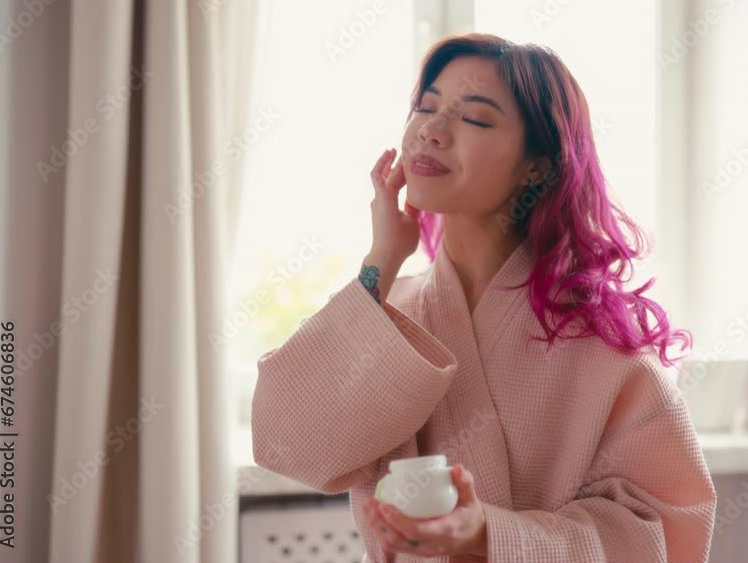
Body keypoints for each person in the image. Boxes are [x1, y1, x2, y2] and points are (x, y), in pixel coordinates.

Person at [252, 33, 716, 562]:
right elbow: (284, 443)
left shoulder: (604, 348)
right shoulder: (386, 313)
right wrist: (381, 259)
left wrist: (487, 536)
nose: (430, 130)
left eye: (474, 118)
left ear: (536, 164)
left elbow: (665, 534)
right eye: (425, 108)